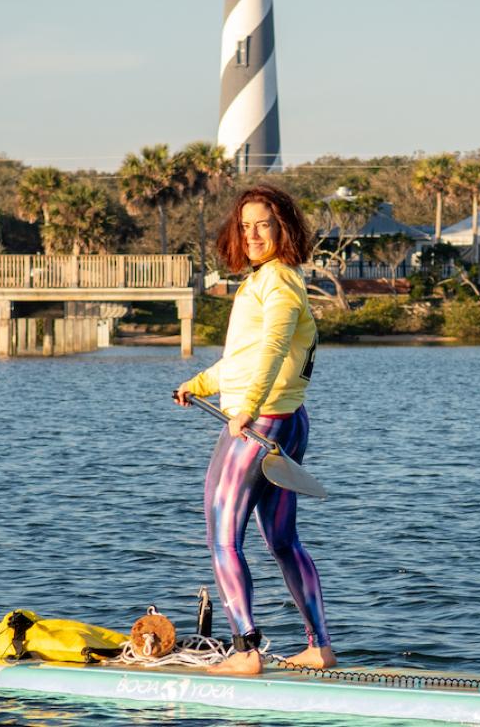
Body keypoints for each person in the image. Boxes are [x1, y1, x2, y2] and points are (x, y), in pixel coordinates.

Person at [173, 184, 335, 676]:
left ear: (282, 226)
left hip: (260, 424)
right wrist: (199, 382)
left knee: (223, 538)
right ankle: (319, 647)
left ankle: (245, 651)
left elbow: (271, 350)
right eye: (245, 226)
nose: (253, 234)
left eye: (263, 224)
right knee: (282, 539)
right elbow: (243, 358)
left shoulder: (279, 282)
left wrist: (247, 408)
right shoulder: (268, 280)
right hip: (286, 421)